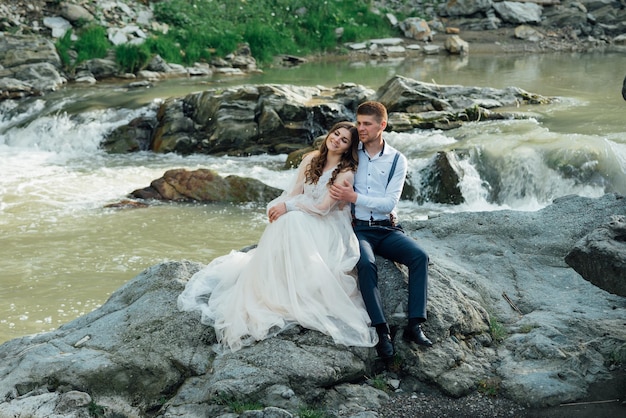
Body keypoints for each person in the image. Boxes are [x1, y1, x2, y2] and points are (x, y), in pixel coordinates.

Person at [178, 121, 377, 353]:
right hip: (305, 216)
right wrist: (285, 206)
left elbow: (323, 209)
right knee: (287, 218)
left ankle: (296, 291)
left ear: (348, 148)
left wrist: (290, 208)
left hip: (329, 225)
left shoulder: (345, 173)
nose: (336, 140)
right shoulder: (311, 159)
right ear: (329, 134)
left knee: (292, 219)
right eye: (336, 134)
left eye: (344, 140)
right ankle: (274, 287)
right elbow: (293, 195)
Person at [330, 101, 433, 360]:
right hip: (359, 230)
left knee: (419, 257)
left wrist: (354, 197)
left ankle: (415, 324)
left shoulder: (398, 159)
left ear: (382, 125)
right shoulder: (351, 154)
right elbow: (326, 164)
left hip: (387, 229)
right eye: (358, 123)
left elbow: (389, 203)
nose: (360, 129)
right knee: (365, 263)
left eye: (367, 124)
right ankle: (381, 330)